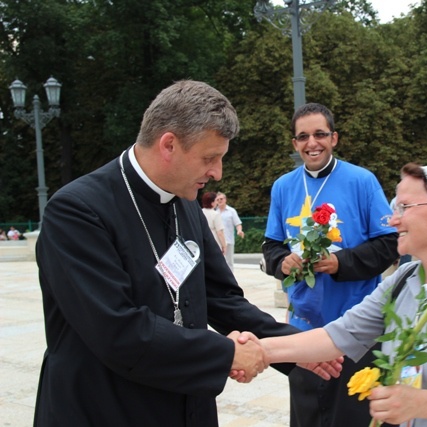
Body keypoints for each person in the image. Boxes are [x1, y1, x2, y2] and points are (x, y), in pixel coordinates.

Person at [33, 80, 313, 427]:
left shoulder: (184, 201)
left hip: (184, 407)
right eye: (210, 158)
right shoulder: (77, 211)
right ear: (169, 145)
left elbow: (221, 297)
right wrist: (228, 355)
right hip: (104, 409)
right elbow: (117, 330)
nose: (217, 173)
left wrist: (299, 347)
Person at [255, 164, 427, 427]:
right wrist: (261, 351)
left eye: (404, 207)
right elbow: (338, 336)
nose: (392, 220)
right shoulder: (404, 280)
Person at [262, 102, 399, 427]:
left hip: (357, 325)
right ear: (295, 143)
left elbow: (390, 244)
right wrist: (283, 262)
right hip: (304, 326)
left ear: (334, 138)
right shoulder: (283, 186)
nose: (313, 143)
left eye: (320, 134)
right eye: (303, 136)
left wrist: (340, 262)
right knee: (308, 414)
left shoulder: (362, 181)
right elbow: (271, 246)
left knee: (353, 415)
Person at [215, 192, 244, 271]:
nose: (220, 201)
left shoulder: (231, 211)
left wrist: (239, 230)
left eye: (221, 199)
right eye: (218, 199)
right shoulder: (214, 213)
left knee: (229, 262)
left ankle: (230, 280)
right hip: (217, 241)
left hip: (229, 240)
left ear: (225, 199)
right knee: (218, 262)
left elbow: (237, 223)